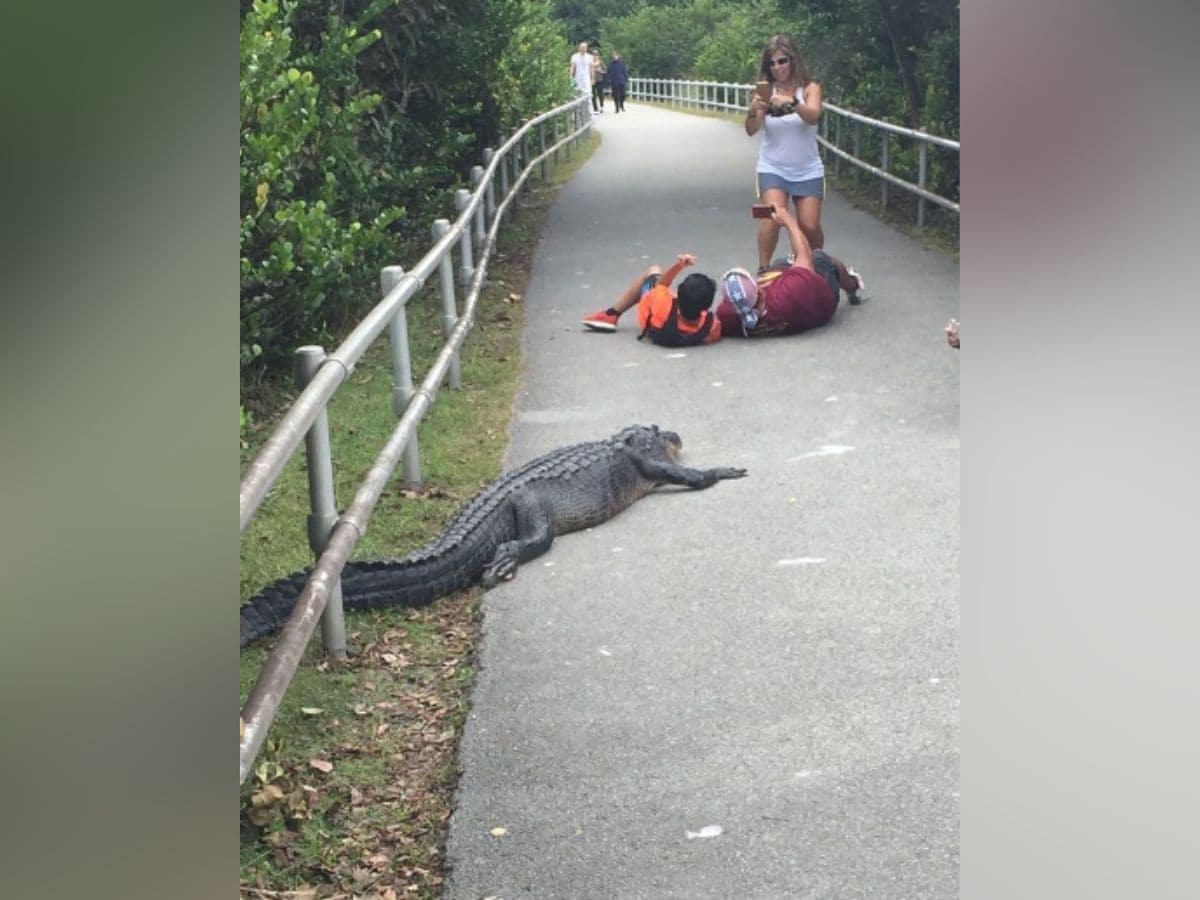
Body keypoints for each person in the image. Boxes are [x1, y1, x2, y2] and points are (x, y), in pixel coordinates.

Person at [714, 204, 865, 338]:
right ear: (759, 291)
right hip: (820, 297)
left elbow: (702, 323)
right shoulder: (790, 293)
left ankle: (790, 264)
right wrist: (789, 223)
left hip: (788, 297)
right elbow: (805, 255)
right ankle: (853, 285)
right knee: (819, 257)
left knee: (780, 264)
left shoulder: (728, 317)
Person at [744, 34, 827, 270]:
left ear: (793, 60)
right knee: (772, 218)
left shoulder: (810, 89)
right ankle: (763, 270)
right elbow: (751, 130)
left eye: (782, 61)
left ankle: (818, 263)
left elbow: (812, 116)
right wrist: (754, 110)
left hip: (807, 168)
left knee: (809, 225)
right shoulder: (764, 91)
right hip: (773, 167)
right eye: (772, 63)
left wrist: (790, 103)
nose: (777, 67)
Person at [581, 254, 723, 346]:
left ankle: (611, 314)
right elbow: (713, 333)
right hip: (668, 326)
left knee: (653, 270)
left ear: (679, 296)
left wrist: (679, 265)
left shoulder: (662, 302)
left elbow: (662, 284)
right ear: (706, 307)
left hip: (651, 319)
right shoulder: (710, 326)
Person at [590, 49, 608, 114]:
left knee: (600, 94)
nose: (594, 56)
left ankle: (601, 106)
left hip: (599, 80)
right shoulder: (590, 63)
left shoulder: (600, 62)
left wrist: (600, 71)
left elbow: (605, 71)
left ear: (598, 56)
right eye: (593, 55)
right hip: (592, 80)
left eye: (596, 55)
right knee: (593, 95)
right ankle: (595, 109)